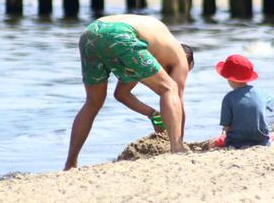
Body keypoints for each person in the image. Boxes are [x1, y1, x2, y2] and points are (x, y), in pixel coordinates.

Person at [64, 14, 194, 170]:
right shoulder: (180, 55)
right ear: (188, 58)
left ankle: (70, 163)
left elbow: (121, 94)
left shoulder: (149, 50)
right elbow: (178, 100)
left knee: (92, 103)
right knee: (169, 87)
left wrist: (153, 114)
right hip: (122, 33)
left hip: (90, 32)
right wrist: (180, 138)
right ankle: (177, 148)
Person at [209, 54, 274, 149]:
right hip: (261, 140)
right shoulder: (260, 93)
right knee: (272, 136)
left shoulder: (228, 98)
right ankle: (270, 143)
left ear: (229, 78)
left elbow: (227, 126)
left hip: (235, 142)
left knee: (212, 144)